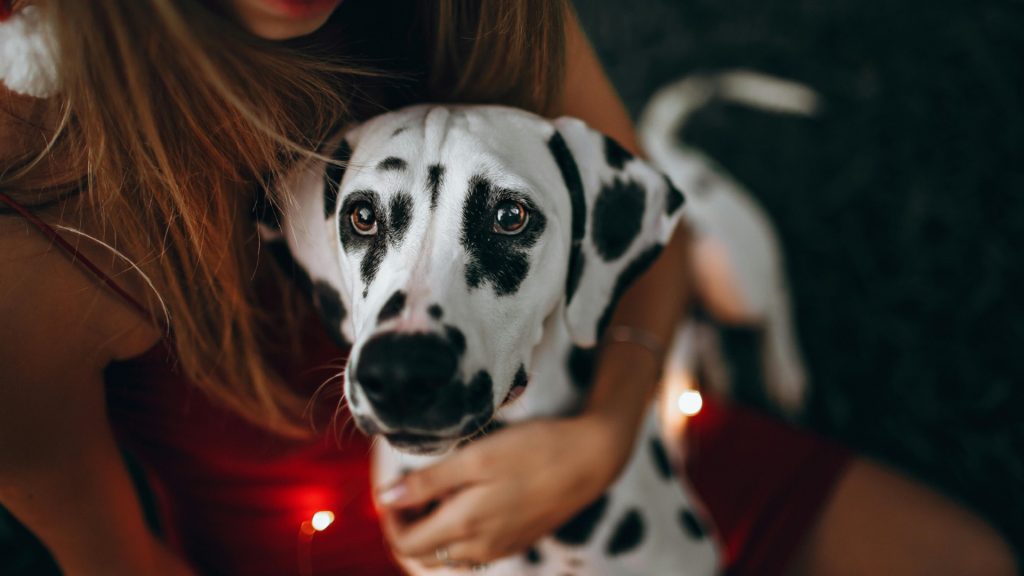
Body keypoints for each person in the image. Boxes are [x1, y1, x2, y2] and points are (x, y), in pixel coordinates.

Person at [0, 1, 1015, 575]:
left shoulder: (461, 7)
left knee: (963, 560)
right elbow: (117, 564)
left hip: (584, 428)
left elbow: (637, 238)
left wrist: (603, 435)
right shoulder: (30, 237)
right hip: (319, 555)